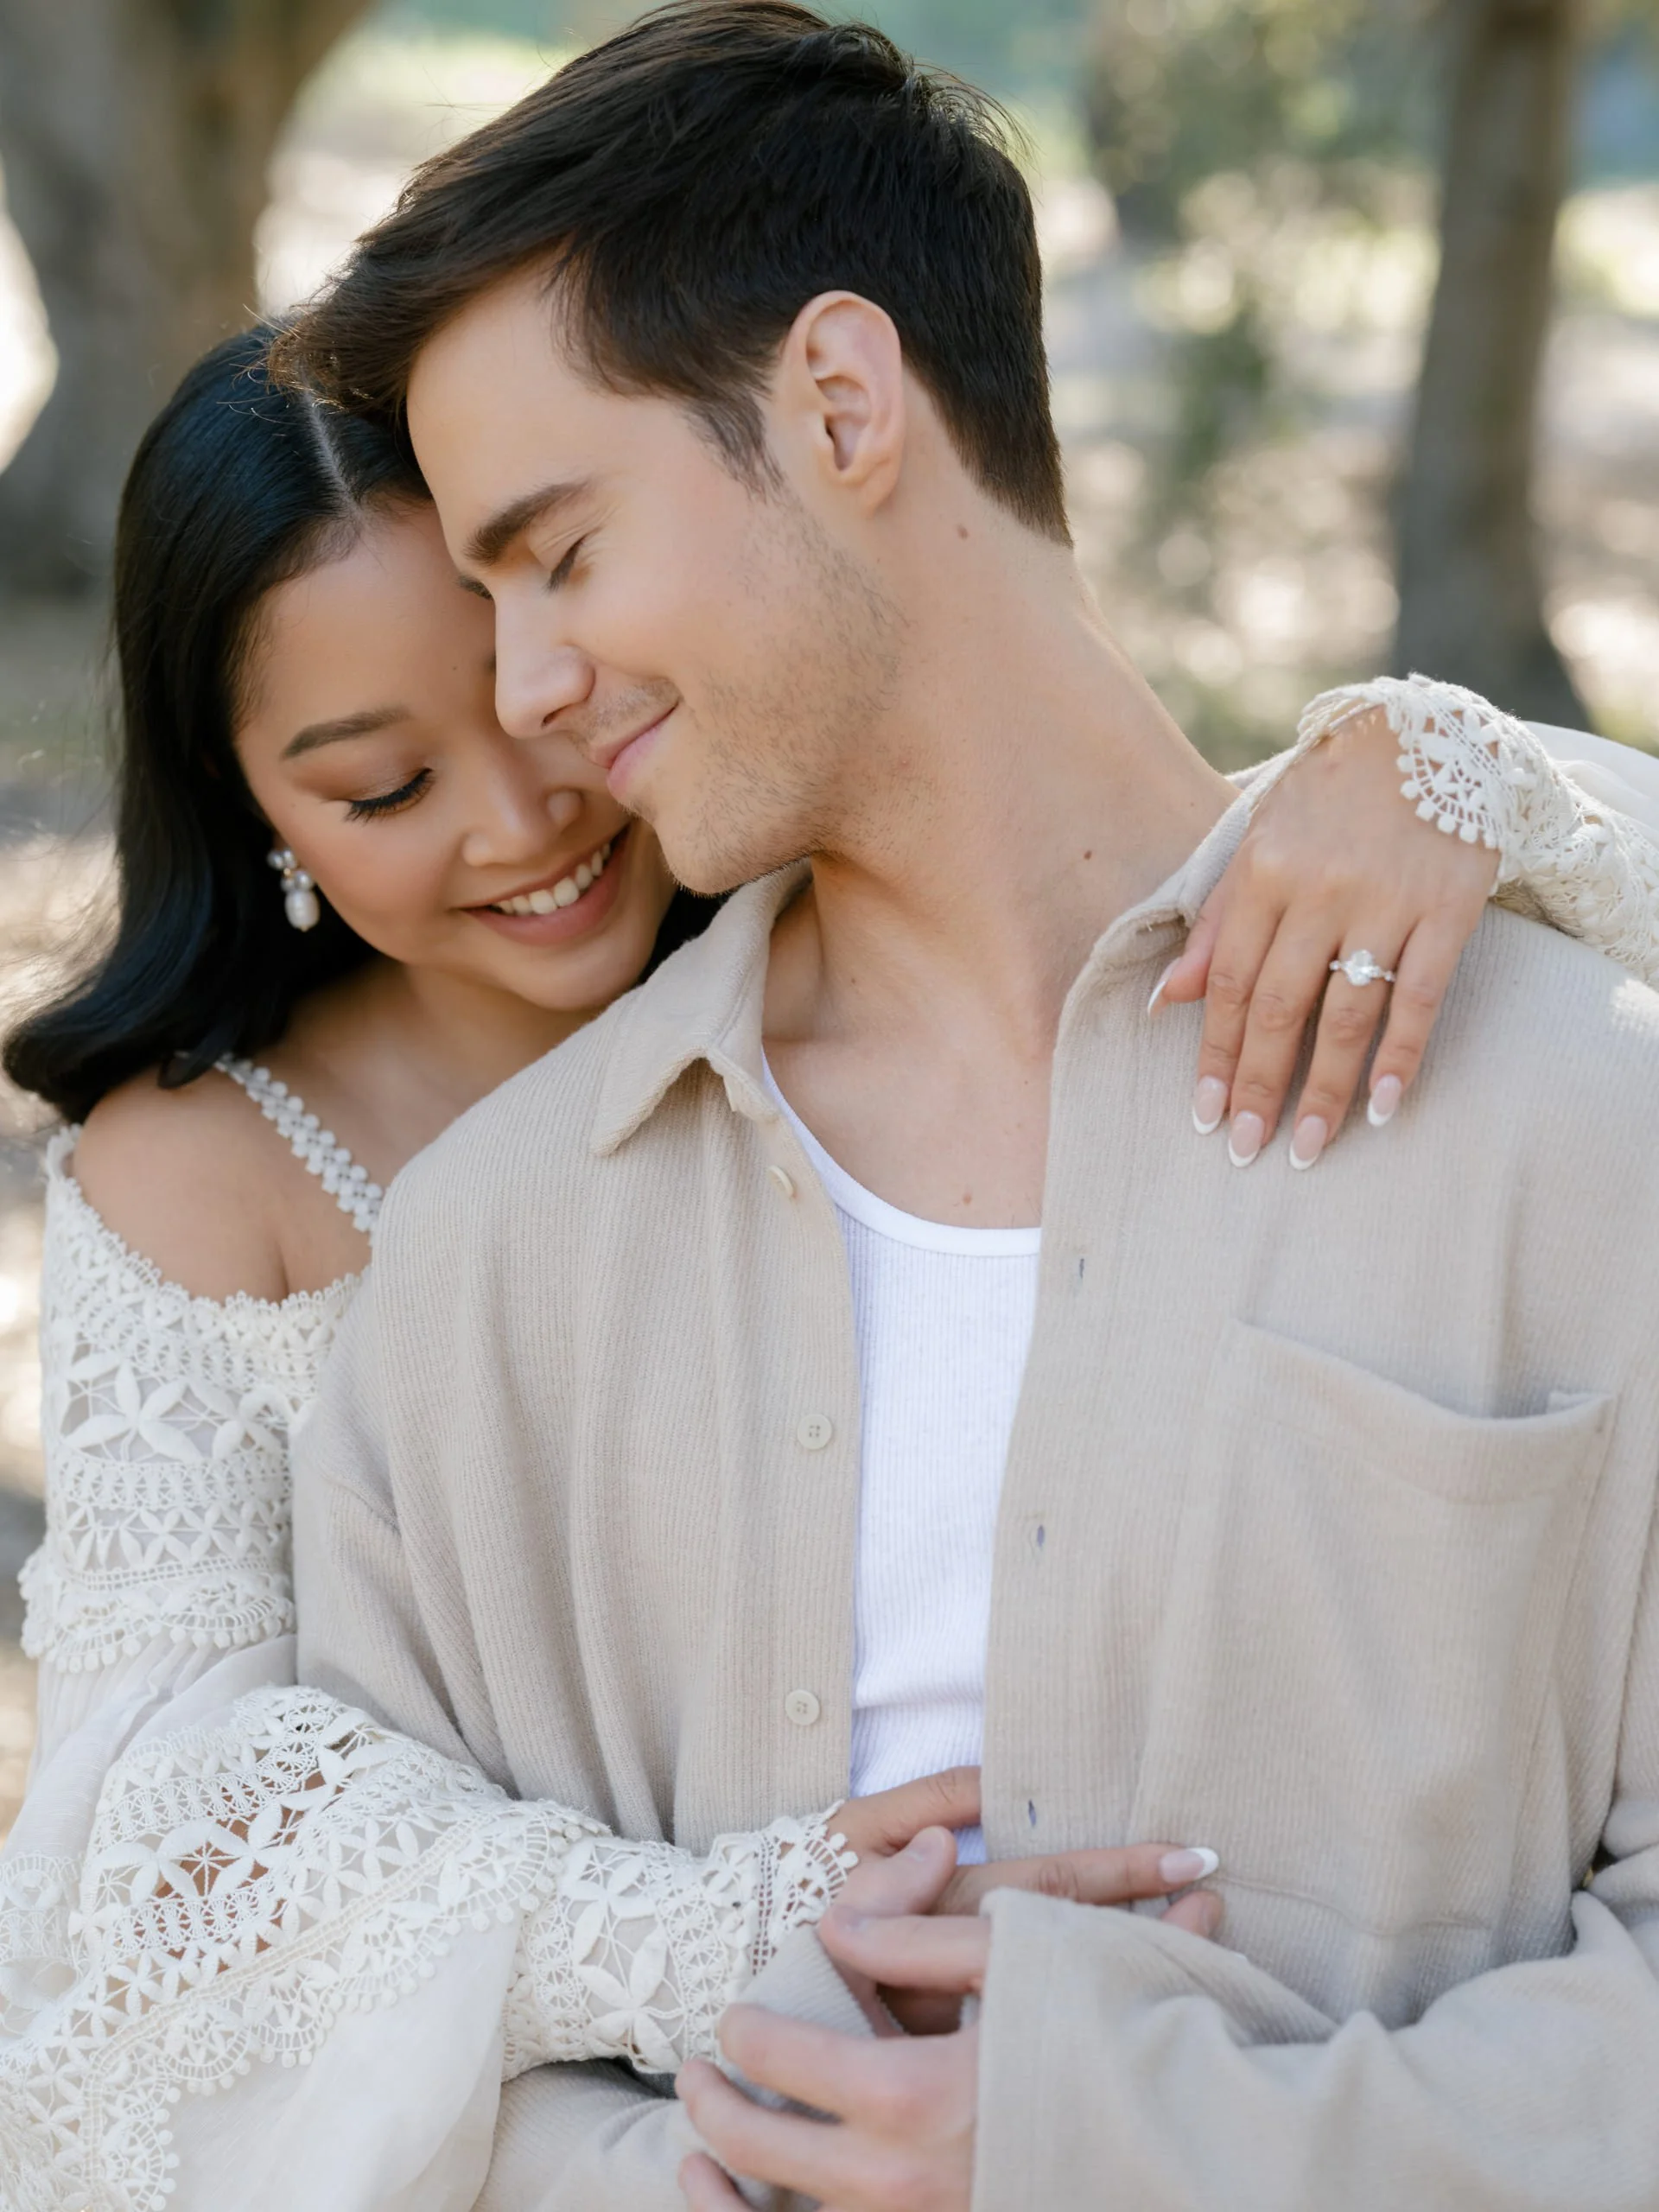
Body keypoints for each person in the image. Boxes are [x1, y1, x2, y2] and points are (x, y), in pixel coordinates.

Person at [273, 4, 1659, 2208]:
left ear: (839, 402)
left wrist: (1141, 2142)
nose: (524, 690)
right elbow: (363, 2003)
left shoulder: (1570, 1126)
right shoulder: (503, 1260)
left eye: (556, 554)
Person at [0, 331, 1211, 2212]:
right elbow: (156, 1827)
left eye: (537, 702)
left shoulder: (844, 948)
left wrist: (1433, 767)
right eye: (387, 787)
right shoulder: (205, 1176)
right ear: (257, 811)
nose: (525, 820)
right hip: (488, 2120)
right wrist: (709, 1927)